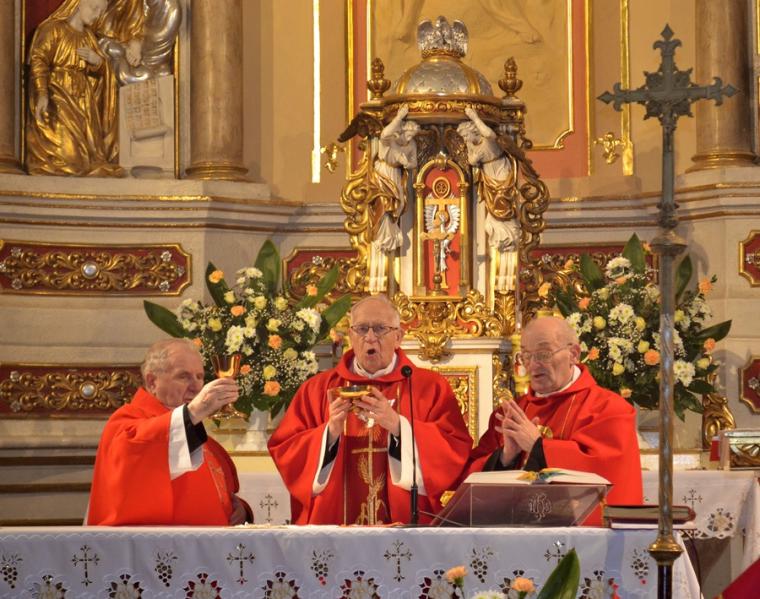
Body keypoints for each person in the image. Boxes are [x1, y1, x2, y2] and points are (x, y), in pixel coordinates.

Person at [268, 295, 472, 525]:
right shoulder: (317, 389)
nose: (370, 337)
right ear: (351, 336)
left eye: (380, 328)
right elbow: (286, 450)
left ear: (398, 337)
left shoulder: (429, 387)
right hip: (333, 524)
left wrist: (399, 426)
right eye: (362, 329)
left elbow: (454, 449)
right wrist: (329, 433)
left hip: (405, 527)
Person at [467, 316, 642, 525]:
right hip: (516, 535)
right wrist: (506, 457)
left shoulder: (609, 408)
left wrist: (538, 447)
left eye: (543, 354)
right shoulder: (510, 415)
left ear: (573, 354)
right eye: (526, 355)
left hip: (582, 541)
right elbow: (471, 483)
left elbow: (608, 473)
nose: (533, 364)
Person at [87, 339, 251, 525]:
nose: (196, 387)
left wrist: (239, 509)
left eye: (199, 376)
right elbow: (139, 462)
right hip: (158, 542)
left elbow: (218, 492)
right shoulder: (126, 423)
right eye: (184, 376)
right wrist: (194, 412)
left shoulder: (196, 433)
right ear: (152, 382)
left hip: (209, 540)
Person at [26, 0, 123, 177]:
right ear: (78, 3)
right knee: (69, 154)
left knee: (91, 155)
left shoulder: (89, 37)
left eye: (101, 12)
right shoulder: (53, 29)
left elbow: (103, 74)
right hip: (59, 95)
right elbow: (39, 60)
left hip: (85, 100)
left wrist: (98, 62)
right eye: (94, 8)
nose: (97, 15)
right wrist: (42, 93)